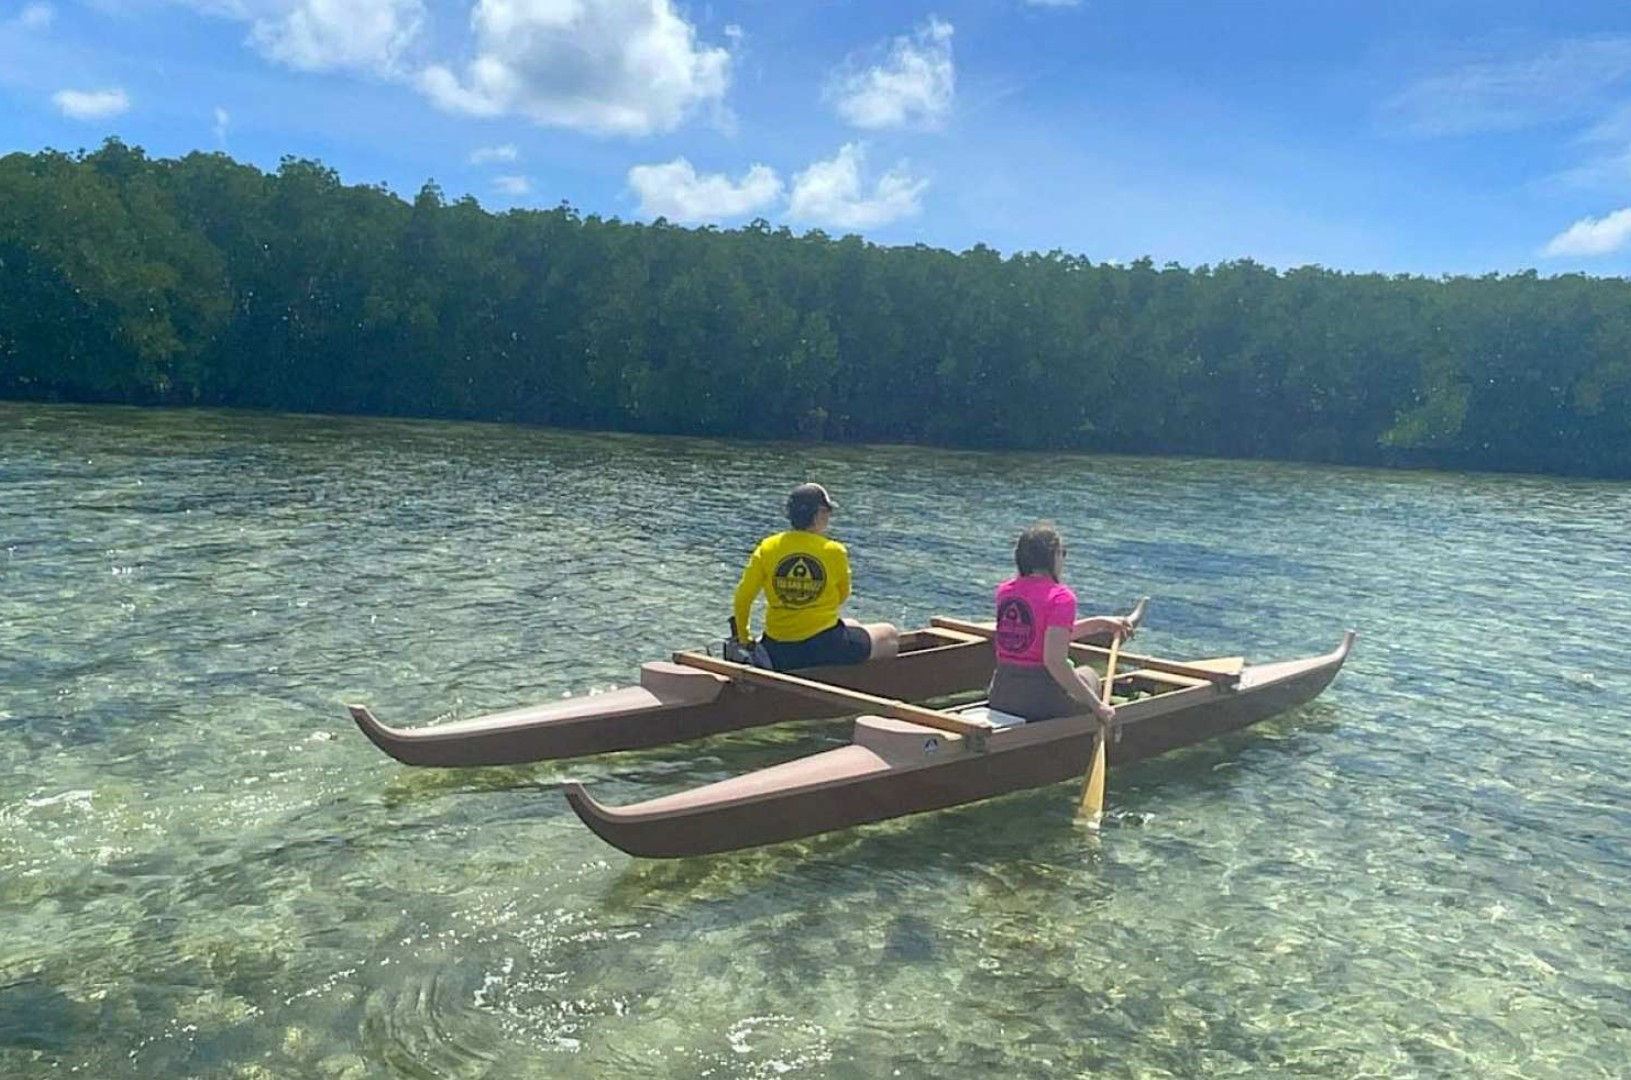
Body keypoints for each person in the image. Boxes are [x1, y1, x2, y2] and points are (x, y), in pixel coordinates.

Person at [729, 483, 900, 670]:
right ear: (819, 514)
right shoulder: (834, 551)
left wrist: (745, 639)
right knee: (890, 634)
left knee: (852, 624)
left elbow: (742, 599)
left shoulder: (767, 547)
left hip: (777, 649)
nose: (828, 517)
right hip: (825, 646)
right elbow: (842, 595)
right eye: (828, 512)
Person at [986, 522, 1135, 723]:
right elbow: (1054, 660)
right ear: (1053, 556)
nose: (1064, 558)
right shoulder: (1061, 597)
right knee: (1089, 674)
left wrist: (1099, 623)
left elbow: (1040, 635)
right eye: (1062, 552)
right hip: (1041, 701)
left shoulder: (1005, 591)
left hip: (1001, 695)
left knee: (1079, 675)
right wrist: (1097, 706)